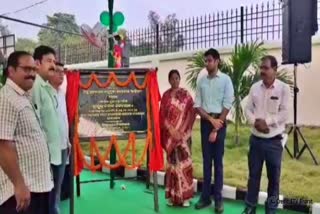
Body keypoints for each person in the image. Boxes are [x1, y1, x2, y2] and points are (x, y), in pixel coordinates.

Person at [0, 51, 53, 214]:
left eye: (33, 70)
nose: (31, 74)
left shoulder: (23, 96)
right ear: (11, 71)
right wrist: (19, 185)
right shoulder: (6, 98)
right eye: (26, 69)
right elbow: (3, 144)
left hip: (37, 186)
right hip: (22, 192)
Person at [242, 55, 290, 214]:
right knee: (253, 177)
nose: (262, 71)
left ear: (275, 70)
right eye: (261, 68)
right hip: (256, 140)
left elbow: (285, 113)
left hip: (274, 142)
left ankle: (271, 210)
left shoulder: (283, 88)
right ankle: (250, 207)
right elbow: (247, 109)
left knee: (273, 180)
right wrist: (256, 122)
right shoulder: (254, 88)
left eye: (266, 68)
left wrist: (267, 122)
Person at [194, 48, 234, 213]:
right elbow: (197, 105)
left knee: (218, 162)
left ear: (217, 61)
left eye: (210, 60)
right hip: (205, 123)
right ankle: (205, 198)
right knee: (206, 161)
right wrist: (211, 121)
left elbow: (227, 103)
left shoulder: (225, 80)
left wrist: (218, 123)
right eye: (206, 60)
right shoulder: (201, 81)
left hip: (221, 123)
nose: (207, 63)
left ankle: (218, 199)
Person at [32, 45, 63, 214]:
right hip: (45, 156)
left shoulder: (46, 87)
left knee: (51, 199)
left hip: (54, 154)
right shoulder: (35, 88)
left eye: (54, 61)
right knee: (45, 203)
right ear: (37, 63)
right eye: (49, 61)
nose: (53, 65)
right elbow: (36, 124)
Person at [160, 69, 196, 207]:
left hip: (183, 137)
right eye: (172, 78)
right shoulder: (165, 96)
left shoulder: (185, 95)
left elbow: (191, 112)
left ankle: (185, 197)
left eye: (177, 78)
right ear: (169, 80)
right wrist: (171, 129)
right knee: (172, 166)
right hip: (170, 136)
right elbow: (162, 115)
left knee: (184, 165)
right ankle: (173, 197)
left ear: (179, 79)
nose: (175, 80)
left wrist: (181, 131)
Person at [48, 62, 71, 208]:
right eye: (57, 71)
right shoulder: (45, 93)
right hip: (51, 148)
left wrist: (68, 141)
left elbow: (64, 119)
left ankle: (55, 209)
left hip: (63, 146)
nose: (61, 74)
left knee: (59, 184)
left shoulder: (61, 93)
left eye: (63, 72)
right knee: (50, 184)